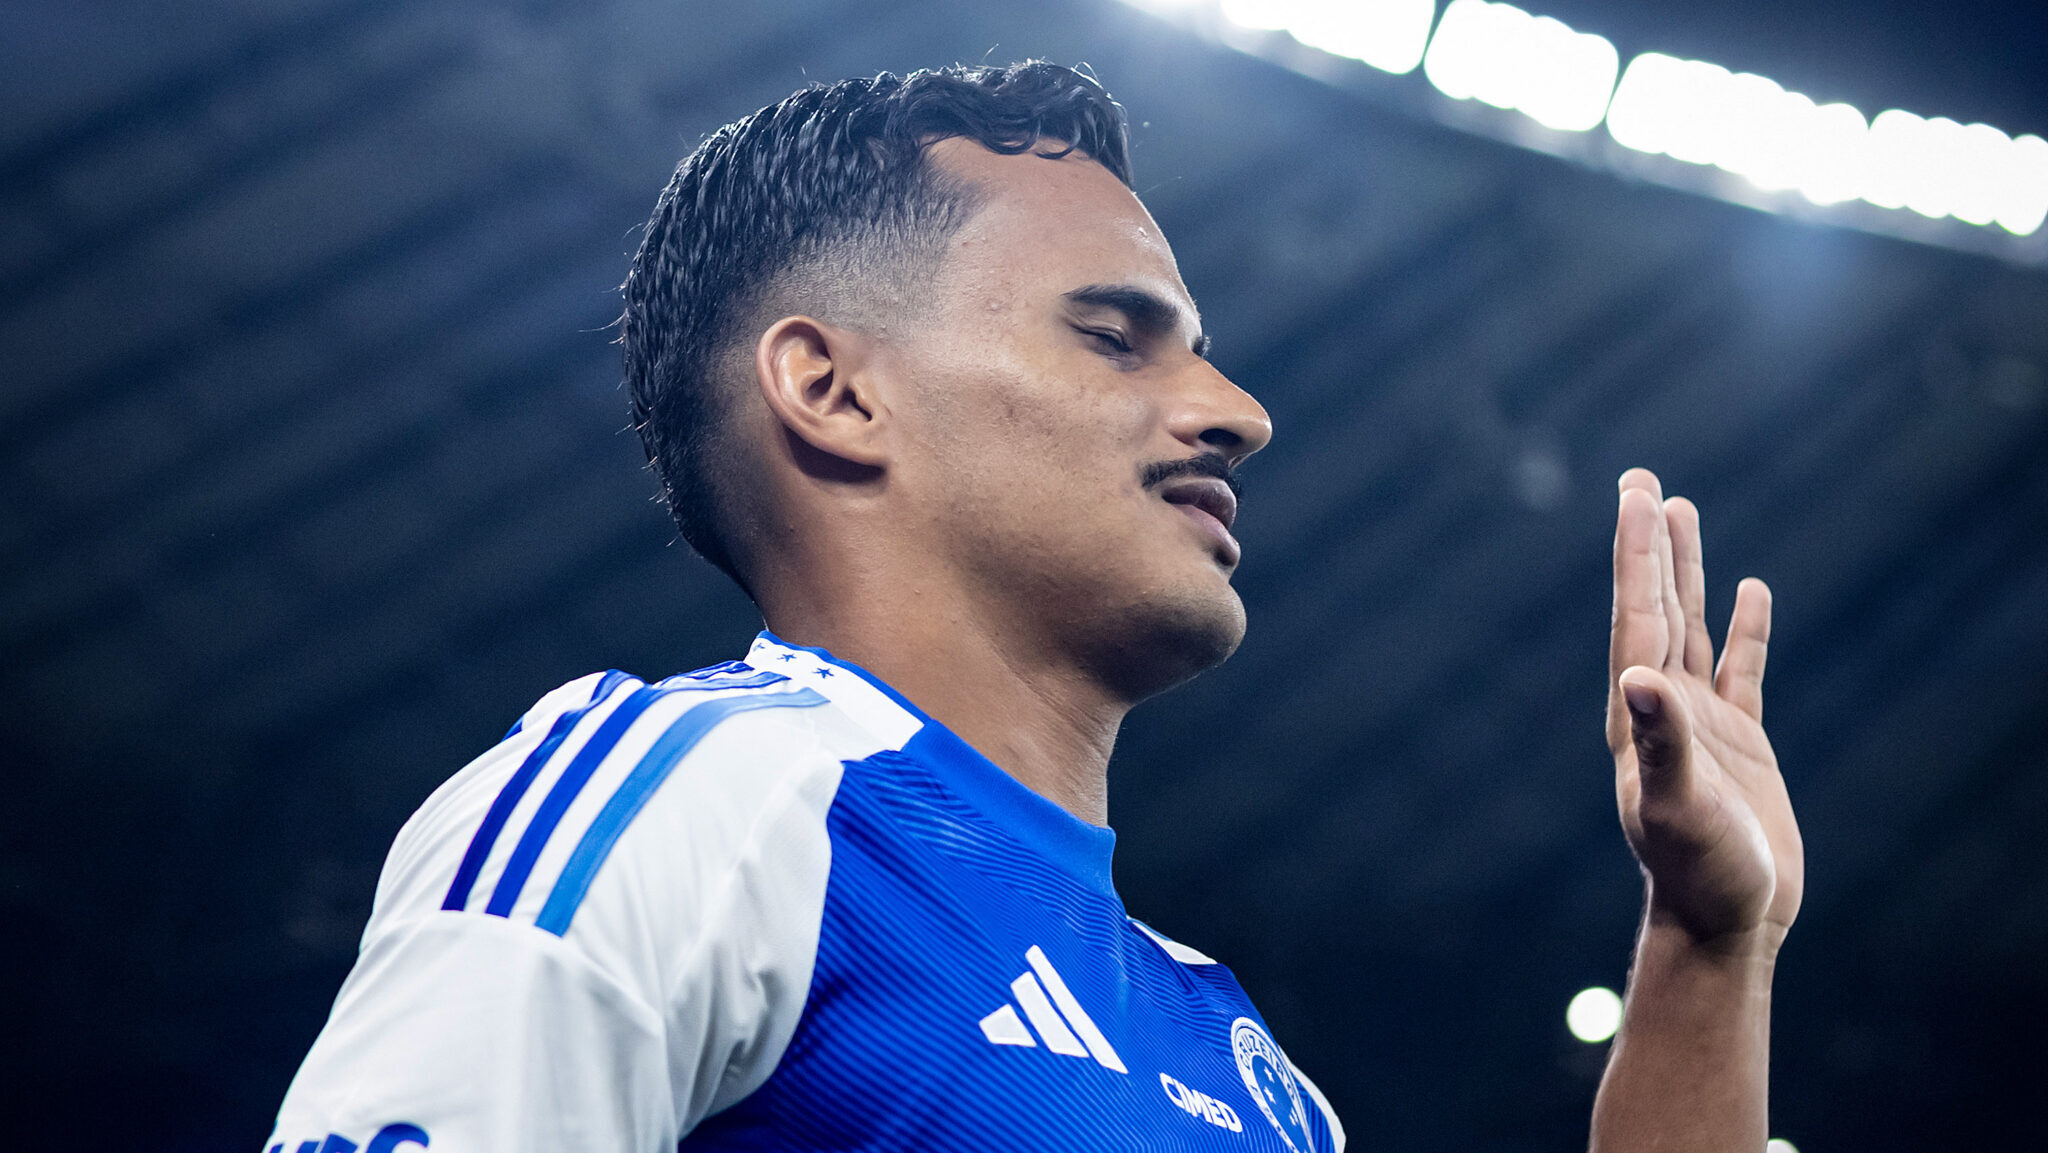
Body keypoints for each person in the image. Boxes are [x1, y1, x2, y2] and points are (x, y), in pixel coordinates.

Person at [266, 62, 1800, 1152]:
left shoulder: (1248, 1073)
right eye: (1117, 335)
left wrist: (1706, 948)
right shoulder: (691, 804)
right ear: (835, 390)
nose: (1239, 411)